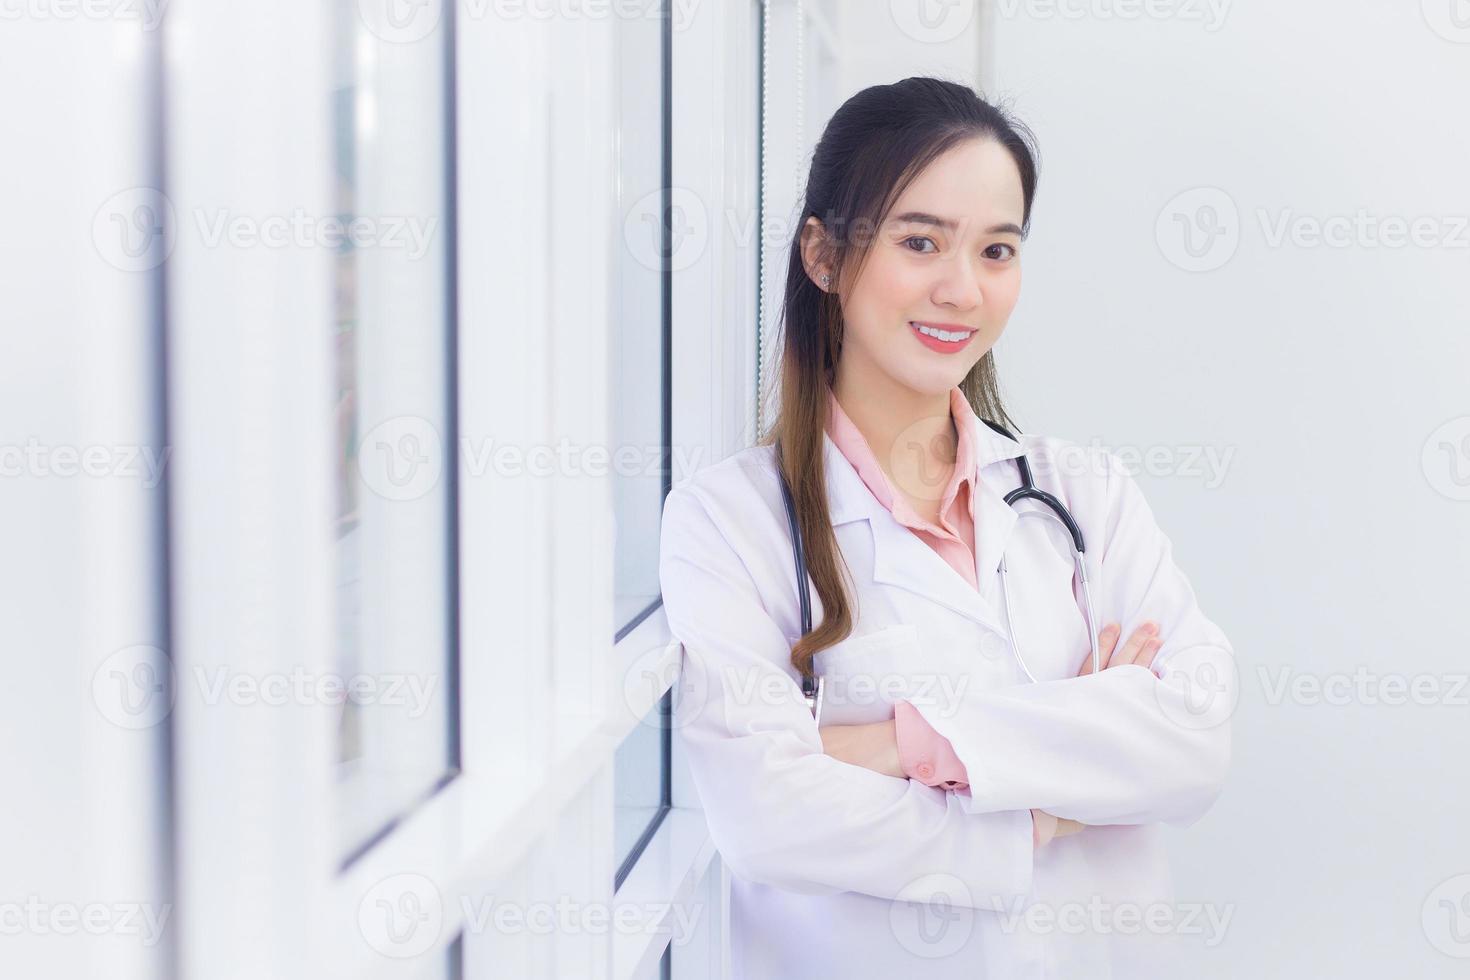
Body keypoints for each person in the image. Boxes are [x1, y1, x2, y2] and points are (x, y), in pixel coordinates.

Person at [657, 76, 1236, 978]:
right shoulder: (729, 521)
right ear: (823, 254)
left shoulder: (1083, 491)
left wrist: (901, 742)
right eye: (919, 241)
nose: (962, 289)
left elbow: (1193, 741)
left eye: (997, 250)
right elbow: (766, 817)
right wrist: (1053, 797)